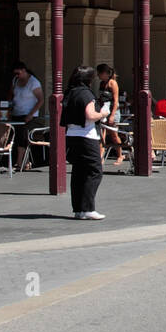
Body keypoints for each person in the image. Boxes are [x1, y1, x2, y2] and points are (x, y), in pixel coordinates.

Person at [63, 65, 106, 219]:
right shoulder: (86, 94)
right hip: (86, 136)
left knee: (78, 172)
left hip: (71, 135)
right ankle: (88, 208)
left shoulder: (70, 92)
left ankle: (79, 209)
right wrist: (102, 114)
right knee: (95, 171)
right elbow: (90, 115)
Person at [10, 61, 44, 172]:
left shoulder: (34, 82)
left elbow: (40, 100)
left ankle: (20, 162)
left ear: (24, 70)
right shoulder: (15, 80)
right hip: (16, 113)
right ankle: (25, 161)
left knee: (23, 137)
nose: (17, 76)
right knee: (15, 136)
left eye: (18, 73)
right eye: (15, 74)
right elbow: (12, 95)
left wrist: (30, 114)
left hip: (29, 115)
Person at [96, 64, 123, 166]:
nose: (98, 75)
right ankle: (100, 157)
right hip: (104, 111)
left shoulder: (112, 83)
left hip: (113, 111)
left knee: (114, 135)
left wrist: (112, 115)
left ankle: (120, 155)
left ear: (105, 73)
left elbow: (116, 101)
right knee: (101, 135)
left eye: (99, 73)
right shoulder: (102, 83)